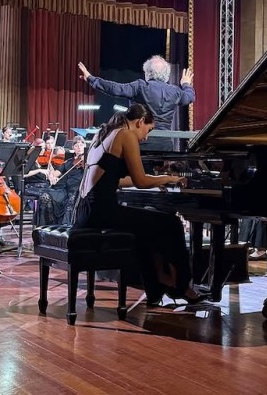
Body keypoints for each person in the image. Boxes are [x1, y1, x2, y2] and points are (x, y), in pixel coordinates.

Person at [73, 104, 206, 305]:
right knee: (172, 223)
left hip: (85, 211)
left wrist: (156, 180)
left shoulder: (104, 134)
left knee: (144, 229)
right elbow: (141, 181)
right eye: (148, 130)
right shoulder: (125, 135)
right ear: (140, 121)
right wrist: (168, 179)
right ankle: (181, 286)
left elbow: (115, 181)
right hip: (102, 212)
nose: (145, 137)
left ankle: (156, 288)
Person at [78, 56, 194, 151]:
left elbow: (115, 88)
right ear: (167, 74)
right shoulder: (175, 92)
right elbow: (189, 97)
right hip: (164, 143)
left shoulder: (140, 86)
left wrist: (91, 79)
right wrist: (186, 84)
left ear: (147, 73)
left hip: (140, 141)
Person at [52, 135, 86, 226]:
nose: (79, 147)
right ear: (73, 148)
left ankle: (67, 226)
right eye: (76, 146)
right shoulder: (69, 161)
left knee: (72, 200)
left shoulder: (88, 160)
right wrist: (53, 177)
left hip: (80, 188)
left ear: (85, 146)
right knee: (46, 197)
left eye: (81, 145)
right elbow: (56, 173)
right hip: (67, 188)